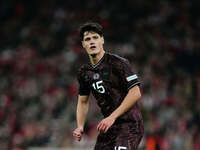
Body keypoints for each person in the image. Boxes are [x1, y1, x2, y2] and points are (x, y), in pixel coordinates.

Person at [73, 22, 144, 150]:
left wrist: (112, 117)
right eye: (87, 39)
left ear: (102, 40)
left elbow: (135, 92)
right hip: (109, 128)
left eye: (95, 38)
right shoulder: (84, 73)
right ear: (83, 44)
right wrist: (80, 126)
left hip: (129, 125)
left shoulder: (118, 63)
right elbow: (83, 101)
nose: (92, 42)